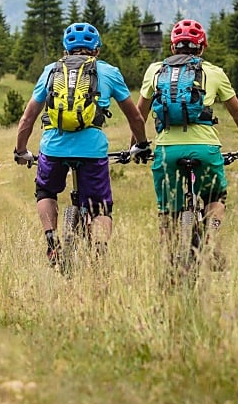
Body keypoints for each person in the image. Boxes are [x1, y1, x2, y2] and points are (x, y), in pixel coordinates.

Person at [12, 22, 150, 265]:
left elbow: (28, 117)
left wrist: (21, 150)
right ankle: (99, 253)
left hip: (53, 147)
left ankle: (52, 240)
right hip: (92, 149)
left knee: (46, 190)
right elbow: (135, 116)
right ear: (96, 50)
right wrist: (140, 144)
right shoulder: (108, 71)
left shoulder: (50, 71)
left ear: (66, 49)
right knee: (100, 207)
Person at [135, 18, 238, 264]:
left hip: (166, 151)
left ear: (172, 48)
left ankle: (171, 261)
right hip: (205, 150)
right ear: (202, 48)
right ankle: (209, 239)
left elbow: (138, 116)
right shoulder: (214, 73)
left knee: (168, 211)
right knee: (215, 197)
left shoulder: (155, 71)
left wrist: (138, 145)